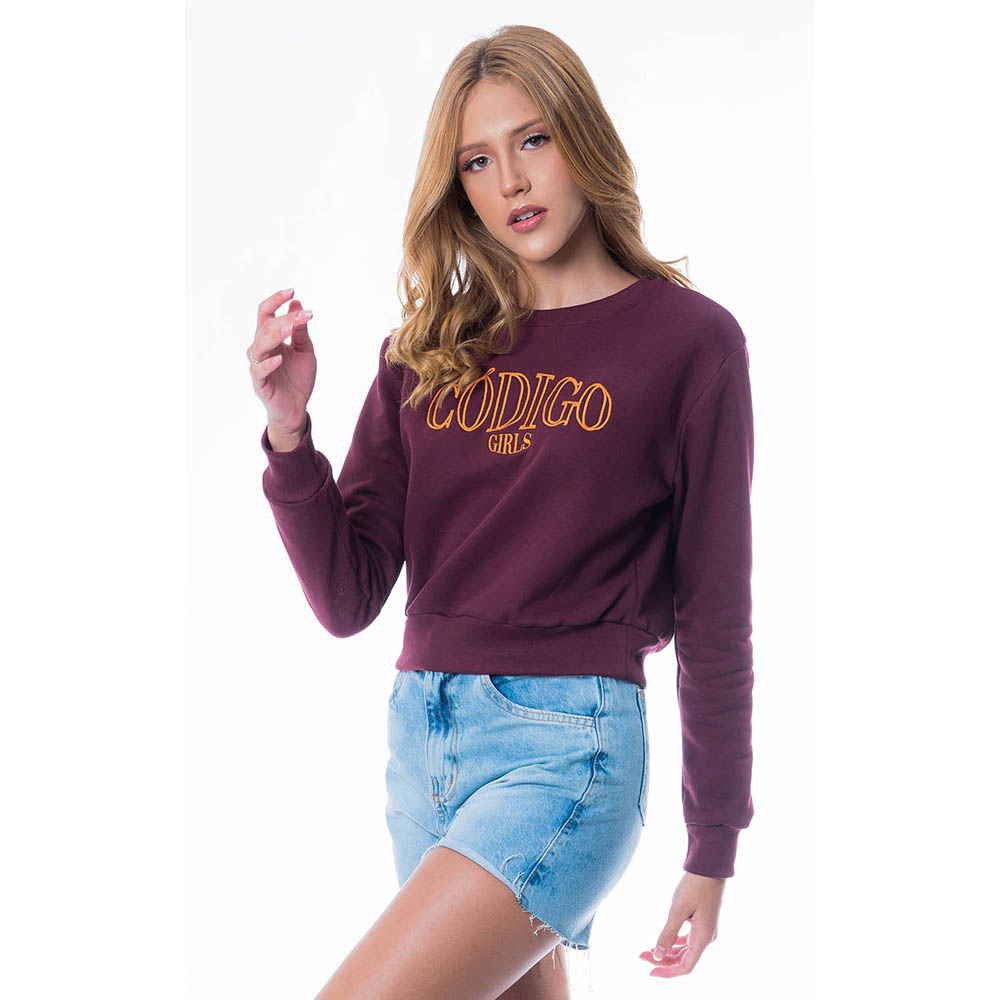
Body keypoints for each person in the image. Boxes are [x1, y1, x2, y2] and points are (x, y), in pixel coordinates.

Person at [246, 24, 755, 999]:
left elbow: (715, 611)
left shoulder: (689, 343)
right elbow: (349, 597)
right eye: (477, 161)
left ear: (581, 137)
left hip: (566, 749)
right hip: (422, 749)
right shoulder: (425, 351)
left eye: (532, 140)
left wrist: (714, 843)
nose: (511, 182)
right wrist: (288, 433)